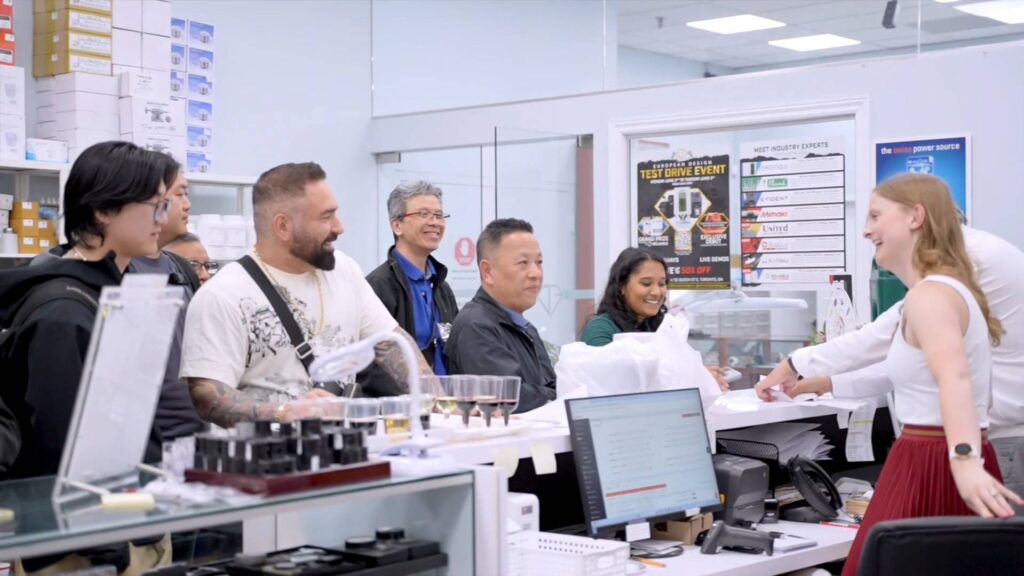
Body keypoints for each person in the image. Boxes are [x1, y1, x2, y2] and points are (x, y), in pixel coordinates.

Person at [756, 174, 1021, 576]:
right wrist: (819, 377)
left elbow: (954, 378)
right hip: (935, 456)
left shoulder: (932, 295)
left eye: (876, 215)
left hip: (933, 459)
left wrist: (964, 461)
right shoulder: (944, 290)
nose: (867, 230)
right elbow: (910, 367)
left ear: (916, 216)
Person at [180, 162, 431, 427]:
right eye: (325, 217)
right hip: (266, 451)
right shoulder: (223, 294)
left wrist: (438, 403)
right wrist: (285, 412)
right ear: (283, 226)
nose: (339, 227)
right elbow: (208, 395)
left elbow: (392, 344)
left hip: (341, 446)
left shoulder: (344, 271)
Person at [0, 141, 170, 480]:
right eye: (155, 206)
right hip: (71, 502)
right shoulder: (63, 313)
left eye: (165, 206)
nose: (162, 220)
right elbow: (60, 445)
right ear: (103, 210)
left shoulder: (109, 294)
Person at [445, 218, 555, 413]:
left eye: (539, 262)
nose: (535, 273)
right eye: (523, 263)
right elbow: (506, 397)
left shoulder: (526, 328)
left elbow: (550, 387)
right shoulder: (476, 325)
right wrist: (558, 394)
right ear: (487, 271)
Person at [581, 247, 730, 391]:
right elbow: (618, 385)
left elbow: (674, 370)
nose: (657, 292)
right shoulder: (600, 330)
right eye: (646, 283)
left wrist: (701, 375)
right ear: (621, 286)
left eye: (662, 284)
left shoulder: (662, 326)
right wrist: (694, 379)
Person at [362, 181, 458, 396]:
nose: (434, 222)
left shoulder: (441, 286)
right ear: (397, 225)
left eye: (439, 215)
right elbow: (372, 364)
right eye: (424, 214)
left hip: (447, 404)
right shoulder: (378, 285)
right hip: (404, 407)